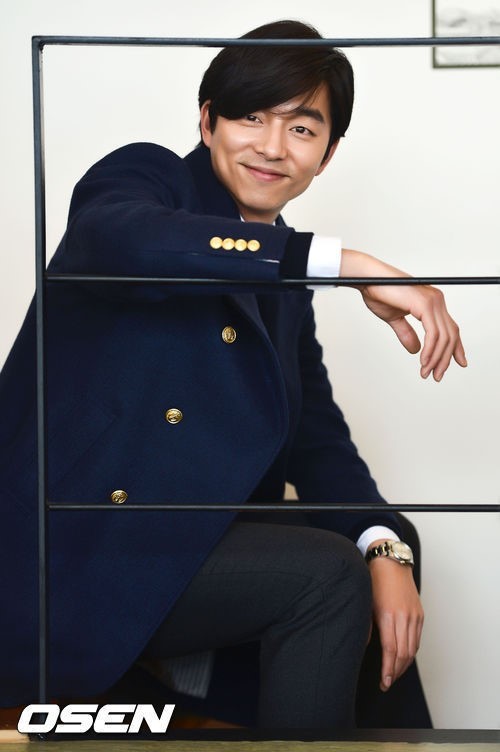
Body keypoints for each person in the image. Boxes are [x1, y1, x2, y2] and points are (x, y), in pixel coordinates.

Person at [0, 19, 466, 728]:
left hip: (186, 546)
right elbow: (119, 238)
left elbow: (318, 443)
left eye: (302, 129)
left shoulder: (285, 289)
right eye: (252, 117)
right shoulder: (148, 180)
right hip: (73, 553)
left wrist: (385, 544)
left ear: (327, 155)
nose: (273, 147)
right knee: (326, 575)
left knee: (380, 552)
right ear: (207, 120)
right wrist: (341, 264)